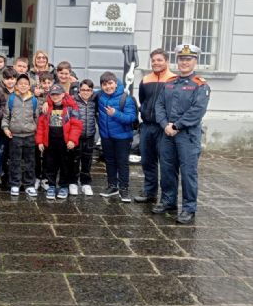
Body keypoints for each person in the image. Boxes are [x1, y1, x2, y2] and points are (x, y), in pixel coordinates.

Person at [153, 44, 210, 224]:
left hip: (187, 136)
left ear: (195, 61)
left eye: (188, 59)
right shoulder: (169, 83)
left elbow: (197, 110)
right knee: (167, 169)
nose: (184, 62)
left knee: (188, 172)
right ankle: (168, 201)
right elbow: (159, 105)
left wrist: (177, 125)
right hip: (167, 134)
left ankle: (188, 208)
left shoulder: (200, 85)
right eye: (181, 59)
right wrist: (165, 125)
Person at [134, 48, 176, 203]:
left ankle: (168, 198)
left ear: (167, 61)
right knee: (147, 161)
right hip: (147, 126)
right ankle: (150, 192)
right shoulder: (146, 80)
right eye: (153, 60)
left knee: (166, 164)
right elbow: (143, 100)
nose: (156, 63)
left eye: (159, 60)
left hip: (164, 128)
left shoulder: (174, 80)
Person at [36, 84, 82, 200]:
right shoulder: (47, 108)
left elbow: (76, 125)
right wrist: (40, 141)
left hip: (65, 142)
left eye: (57, 94)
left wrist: (72, 140)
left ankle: (64, 186)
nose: (55, 96)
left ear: (63, 94)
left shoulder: (71, 107)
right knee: (50, 164)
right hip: (50, 142)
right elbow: (41, 125)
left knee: (65, 165)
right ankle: (51, 185)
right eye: (53, 94)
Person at [97, 72, 138, 203]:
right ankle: (112, 186)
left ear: (115, 83)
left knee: (122, 163)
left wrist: (115, 114)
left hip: (122, 137)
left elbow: (131, 118)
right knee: (109, 161)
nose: (108, 87)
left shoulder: (126, 98)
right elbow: (85, 92)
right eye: (104, 84)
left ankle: (124, 188)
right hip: (106, 136)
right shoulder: (100, 96)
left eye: (110, 83)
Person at [1, 73, 39, 196]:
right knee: (15, 161)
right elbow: (6, 116)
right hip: (15, 136)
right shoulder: (11, 99)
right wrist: (5, 128)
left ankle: (29, 185)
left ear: (29, 86)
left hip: (30, 136)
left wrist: (36, 131)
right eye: (20, 84)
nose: (23, 86)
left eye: (25, 84)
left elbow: (37, 118)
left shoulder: (34, 100)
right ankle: (15, 184)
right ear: (16, 86)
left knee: (30, 162)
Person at [73, 79, 96, 196]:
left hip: (90, 136)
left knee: (87, 160)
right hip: (76, 136)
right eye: (83, 90)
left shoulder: (94, 101)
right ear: (79, 90)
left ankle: (85, 183)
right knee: (74, 160)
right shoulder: (73, 101)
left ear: (92, 91)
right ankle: (73, 182)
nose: (86, 92)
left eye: (88, 90)